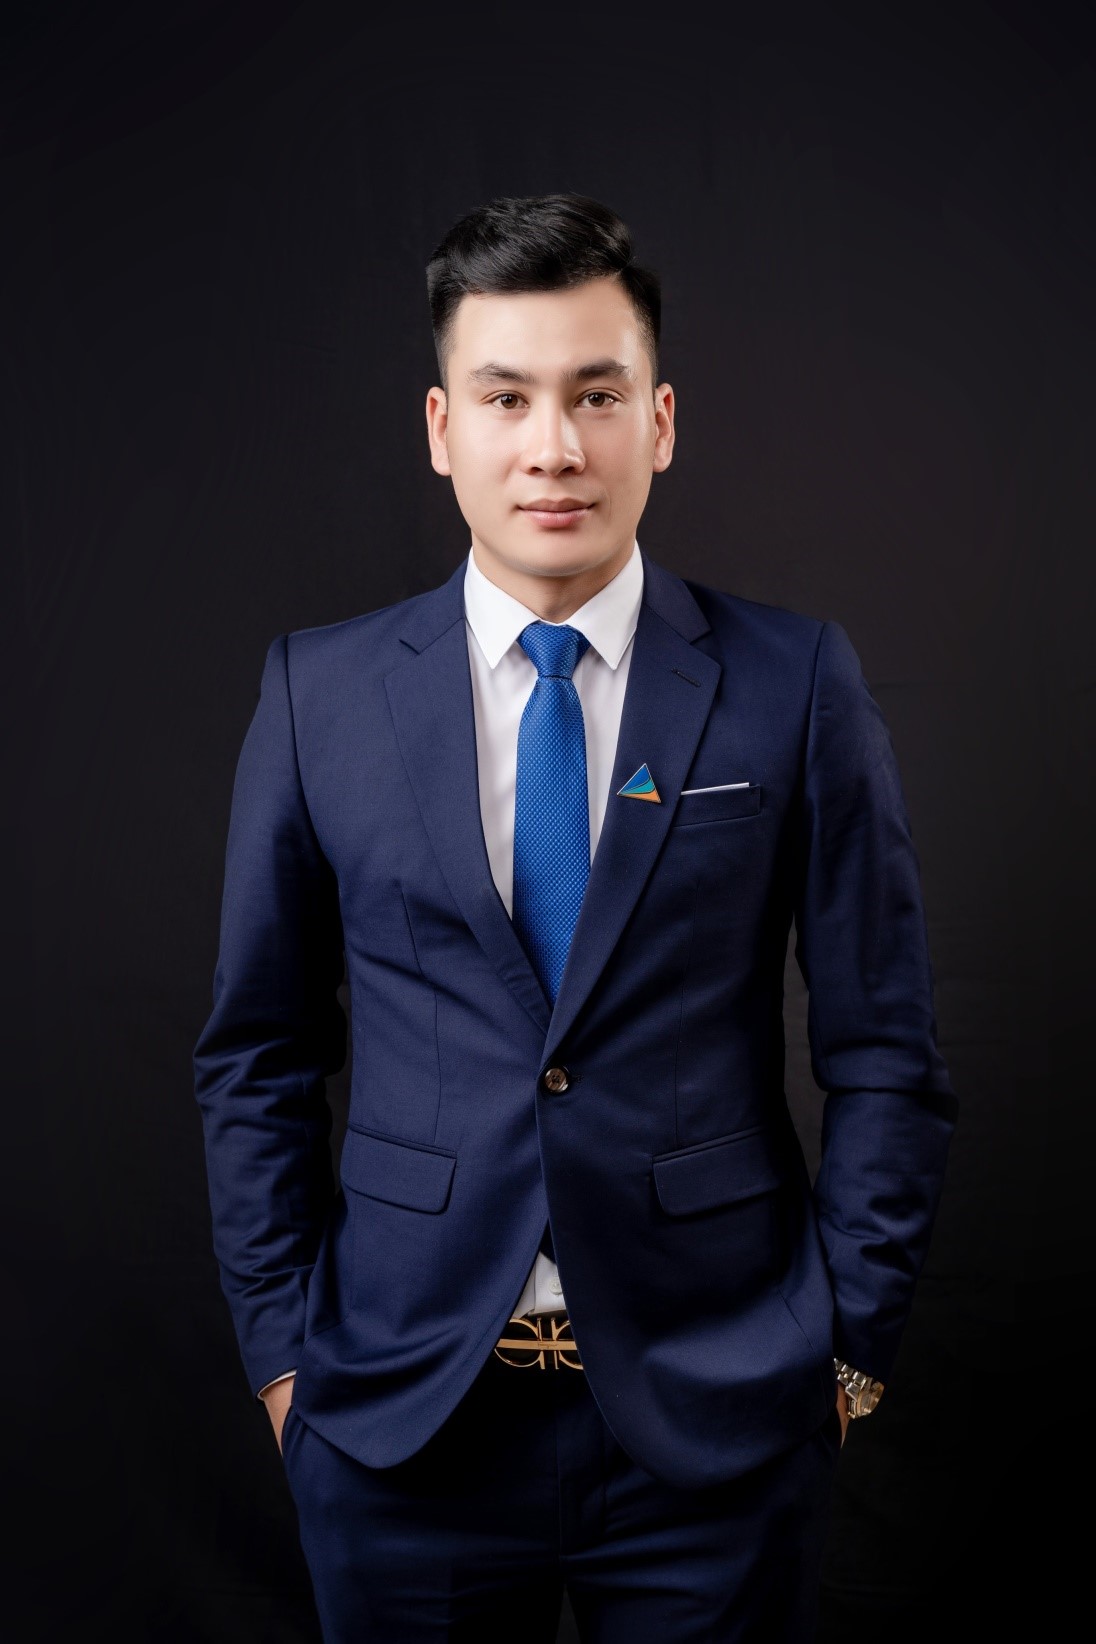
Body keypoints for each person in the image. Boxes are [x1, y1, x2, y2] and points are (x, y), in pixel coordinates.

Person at [193, 191, 957, 1642]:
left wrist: (847, 1357)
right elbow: (256, 1052)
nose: (554, 446)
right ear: (442, 429)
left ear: (659, 422)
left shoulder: (794, 683)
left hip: (719, 1419)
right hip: (399, 1417)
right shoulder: (317, 696)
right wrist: (286, 1363)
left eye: (597, 395)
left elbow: (887, 1053)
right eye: (508, 398)